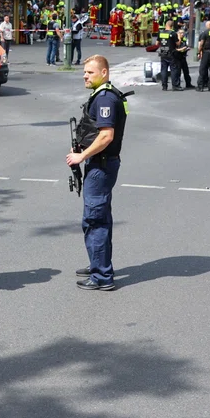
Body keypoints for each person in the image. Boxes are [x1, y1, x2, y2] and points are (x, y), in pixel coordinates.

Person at [66, 55, 127, 291]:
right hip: (101, 162)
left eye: (90, 72)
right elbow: (95, 132)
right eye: (85, 72)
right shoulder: (104, 94)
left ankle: (102, 276)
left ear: (104, 73)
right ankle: (98, 264)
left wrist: (81, 156)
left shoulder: (105, 100)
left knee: (95, 219)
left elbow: (106, 136)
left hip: (100, 165)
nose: (85, 76)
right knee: (99, 217)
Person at [157, 20, 180, 91]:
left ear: (166, 25)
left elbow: (157, 43)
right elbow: (178, 44)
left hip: (163, 53)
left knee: (163, 70)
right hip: (171, 54)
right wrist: (179, 36)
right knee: (173, 70)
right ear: (172, 26)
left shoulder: (160, 32)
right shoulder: (173, 33)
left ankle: (164, 86)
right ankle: (175, 86)